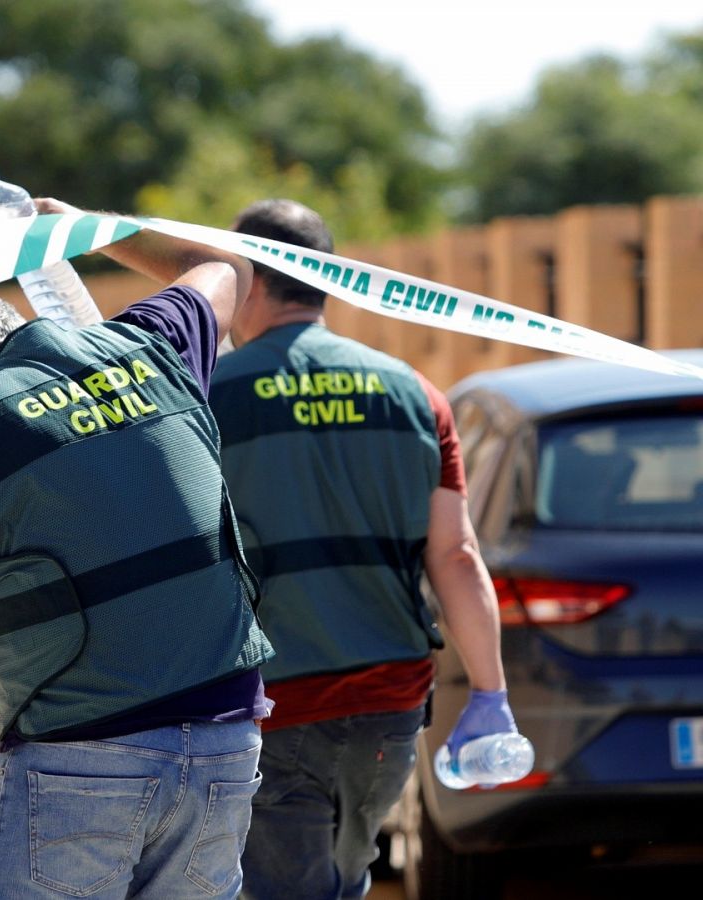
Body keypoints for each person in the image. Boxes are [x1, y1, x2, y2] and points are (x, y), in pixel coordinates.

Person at [0, 199, 275, 900]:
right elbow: (225, 266)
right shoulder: (152, 347)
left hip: (82, 755)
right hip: (227, 741)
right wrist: (81, 224)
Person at [205, 199, 516, 900]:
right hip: (390, 702)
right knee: (346, 878)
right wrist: (490, 694)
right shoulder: (417, 396)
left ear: (247, 278)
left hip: (273, 698)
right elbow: (457, 556)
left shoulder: (210, 397)